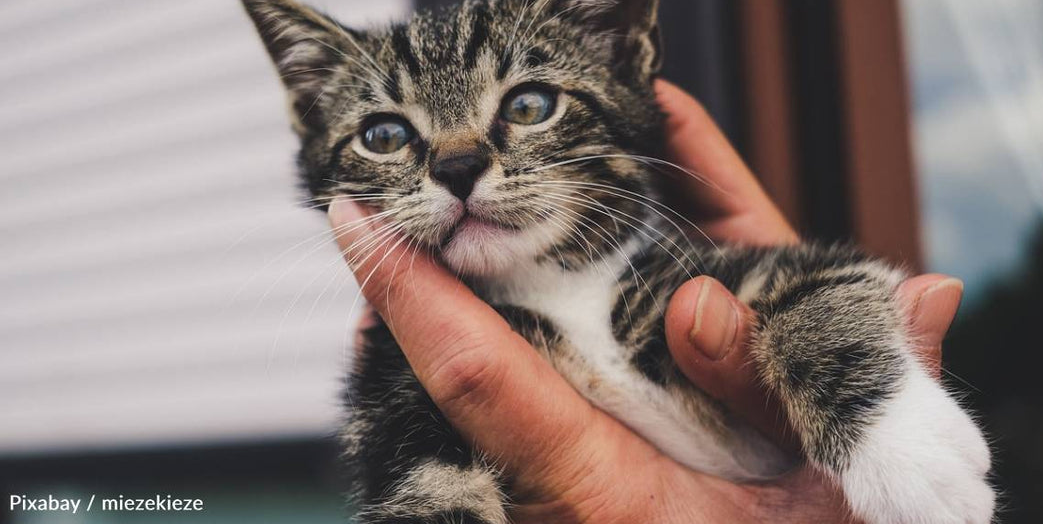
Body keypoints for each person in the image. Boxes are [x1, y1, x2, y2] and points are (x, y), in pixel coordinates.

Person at [327, 80, 964, 523]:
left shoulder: (668, 280)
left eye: (526, 104)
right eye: (386, 134)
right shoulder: (411, 371)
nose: (457, 162)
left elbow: (830, 286)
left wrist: (862, 405)